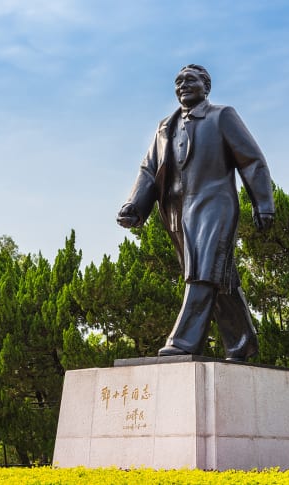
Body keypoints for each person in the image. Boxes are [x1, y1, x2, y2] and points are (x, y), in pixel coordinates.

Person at [117, 64, 274, 362]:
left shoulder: (222, 116)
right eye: (178, 82)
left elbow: (251, 161)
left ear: (206, 86)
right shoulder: (165, 127)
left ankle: (183, 341)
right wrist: (134, 205)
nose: (182, 85)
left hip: (214, 204)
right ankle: (243, 340)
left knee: (202, 271)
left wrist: (263, 204)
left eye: (190, 80)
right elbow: (149, 170)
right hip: (176, 212)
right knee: (218, 275)